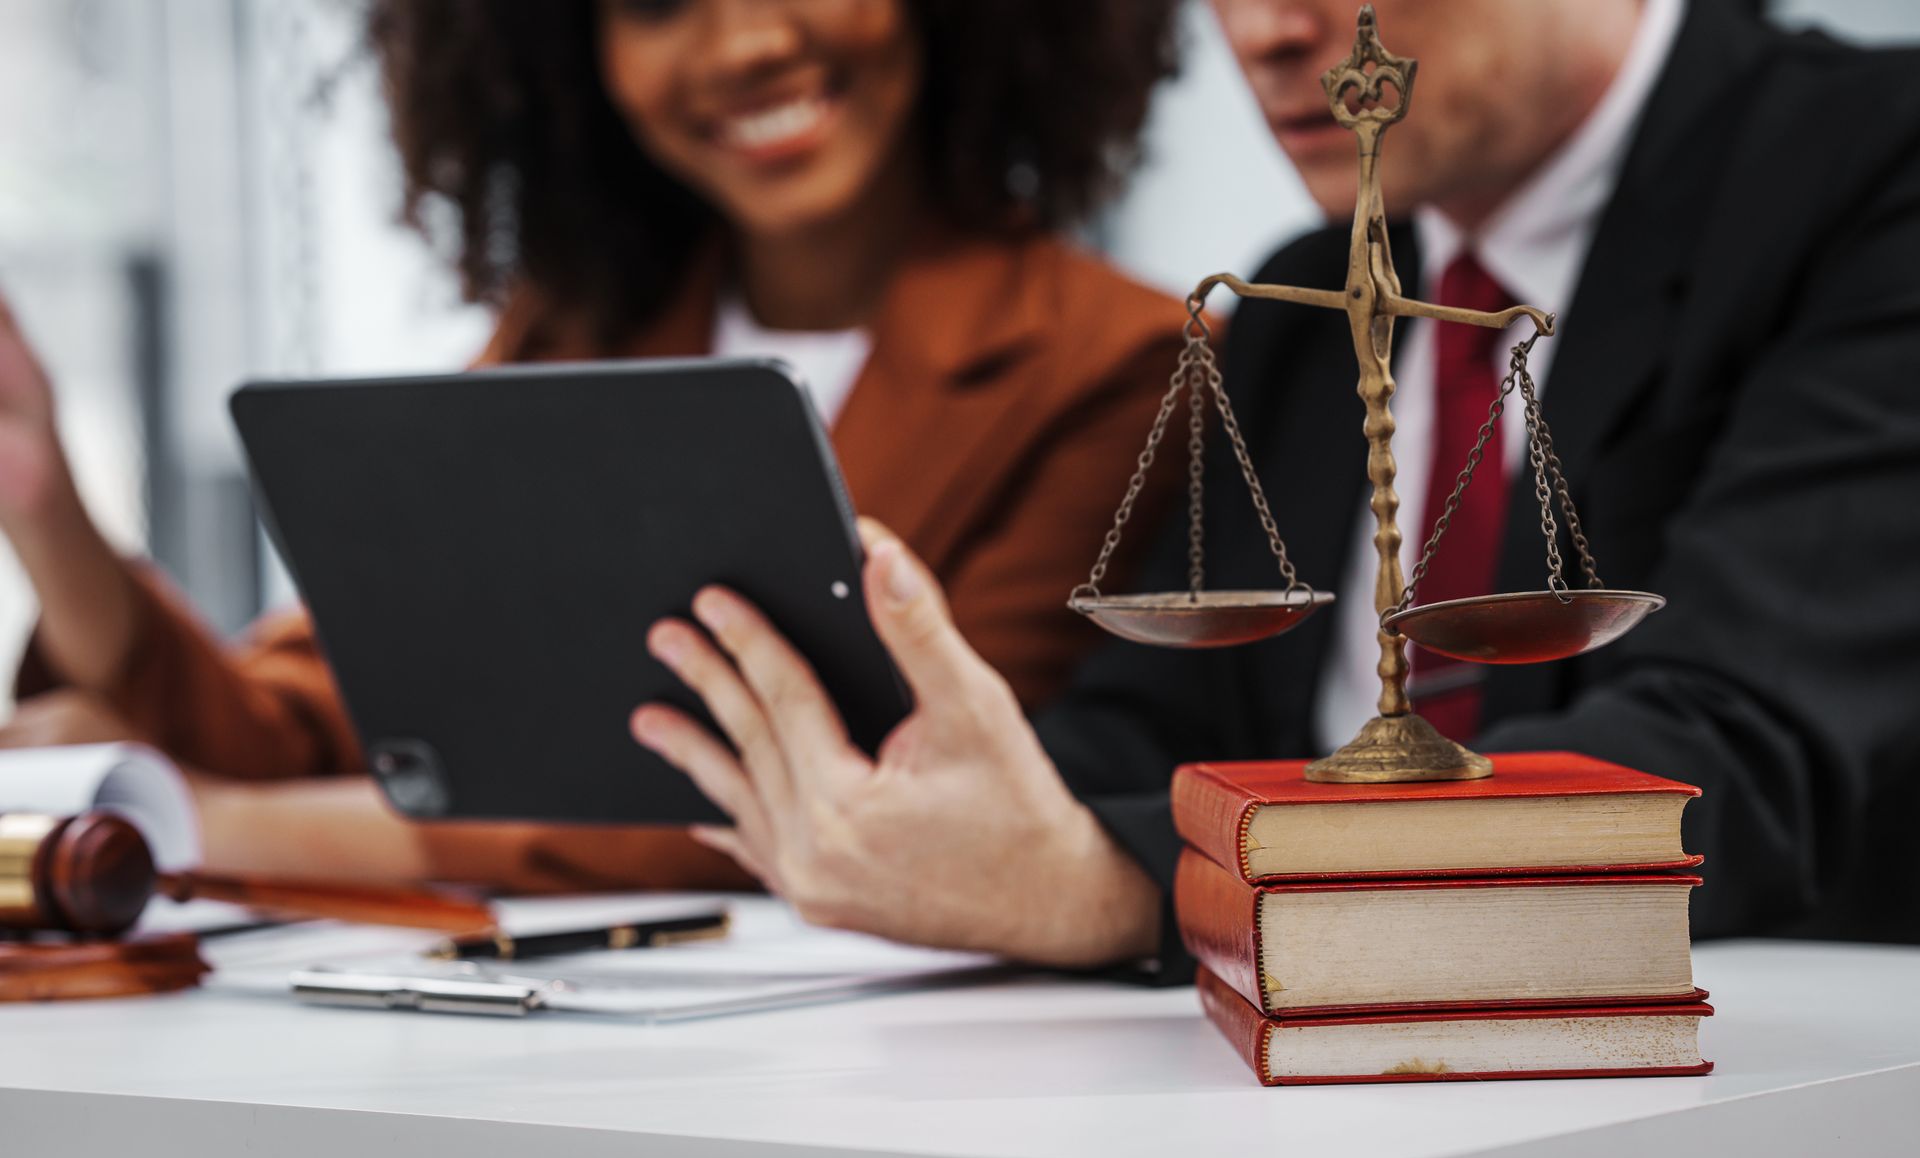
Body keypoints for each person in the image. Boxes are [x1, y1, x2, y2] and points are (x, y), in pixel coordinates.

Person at [629, 0, 1920, 967]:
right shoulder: (1303, 304)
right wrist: (952, 802)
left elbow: (1740, 755)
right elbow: (1155, 725)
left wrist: (1121, 885)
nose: (1265, 30)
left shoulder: (1871, 169)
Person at [0, 0, 1188, 889]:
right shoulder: (577, 335)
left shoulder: (1124, 370)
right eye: (659, 2)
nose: (744, 43)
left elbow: (840, 807)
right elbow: (325, 720)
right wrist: (44, 507)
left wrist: (204, 823)